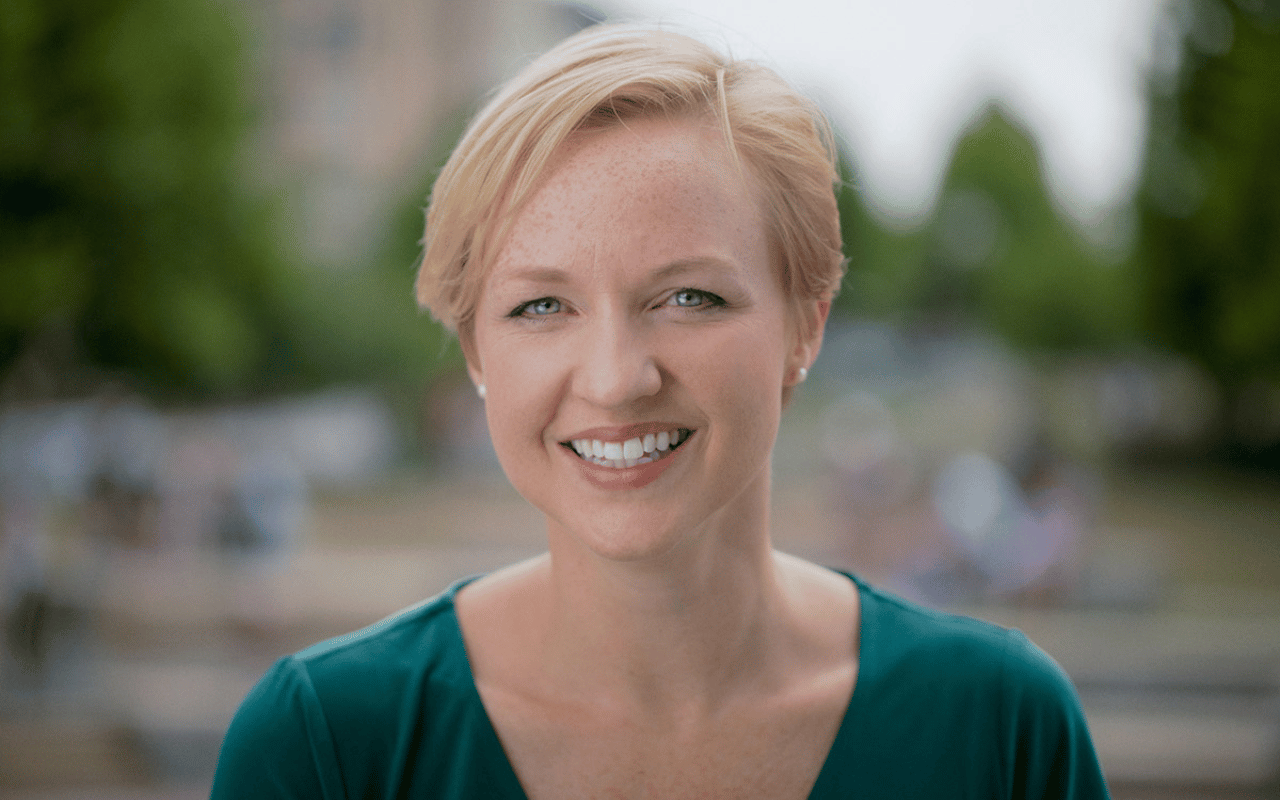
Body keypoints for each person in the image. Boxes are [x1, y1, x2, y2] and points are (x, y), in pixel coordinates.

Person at [211, 23, 1111, 799]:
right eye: (540, 306)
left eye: (687, 298)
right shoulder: (325, 748)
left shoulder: (1000, 729)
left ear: (806, 324)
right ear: (478, 349)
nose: (613, 378)